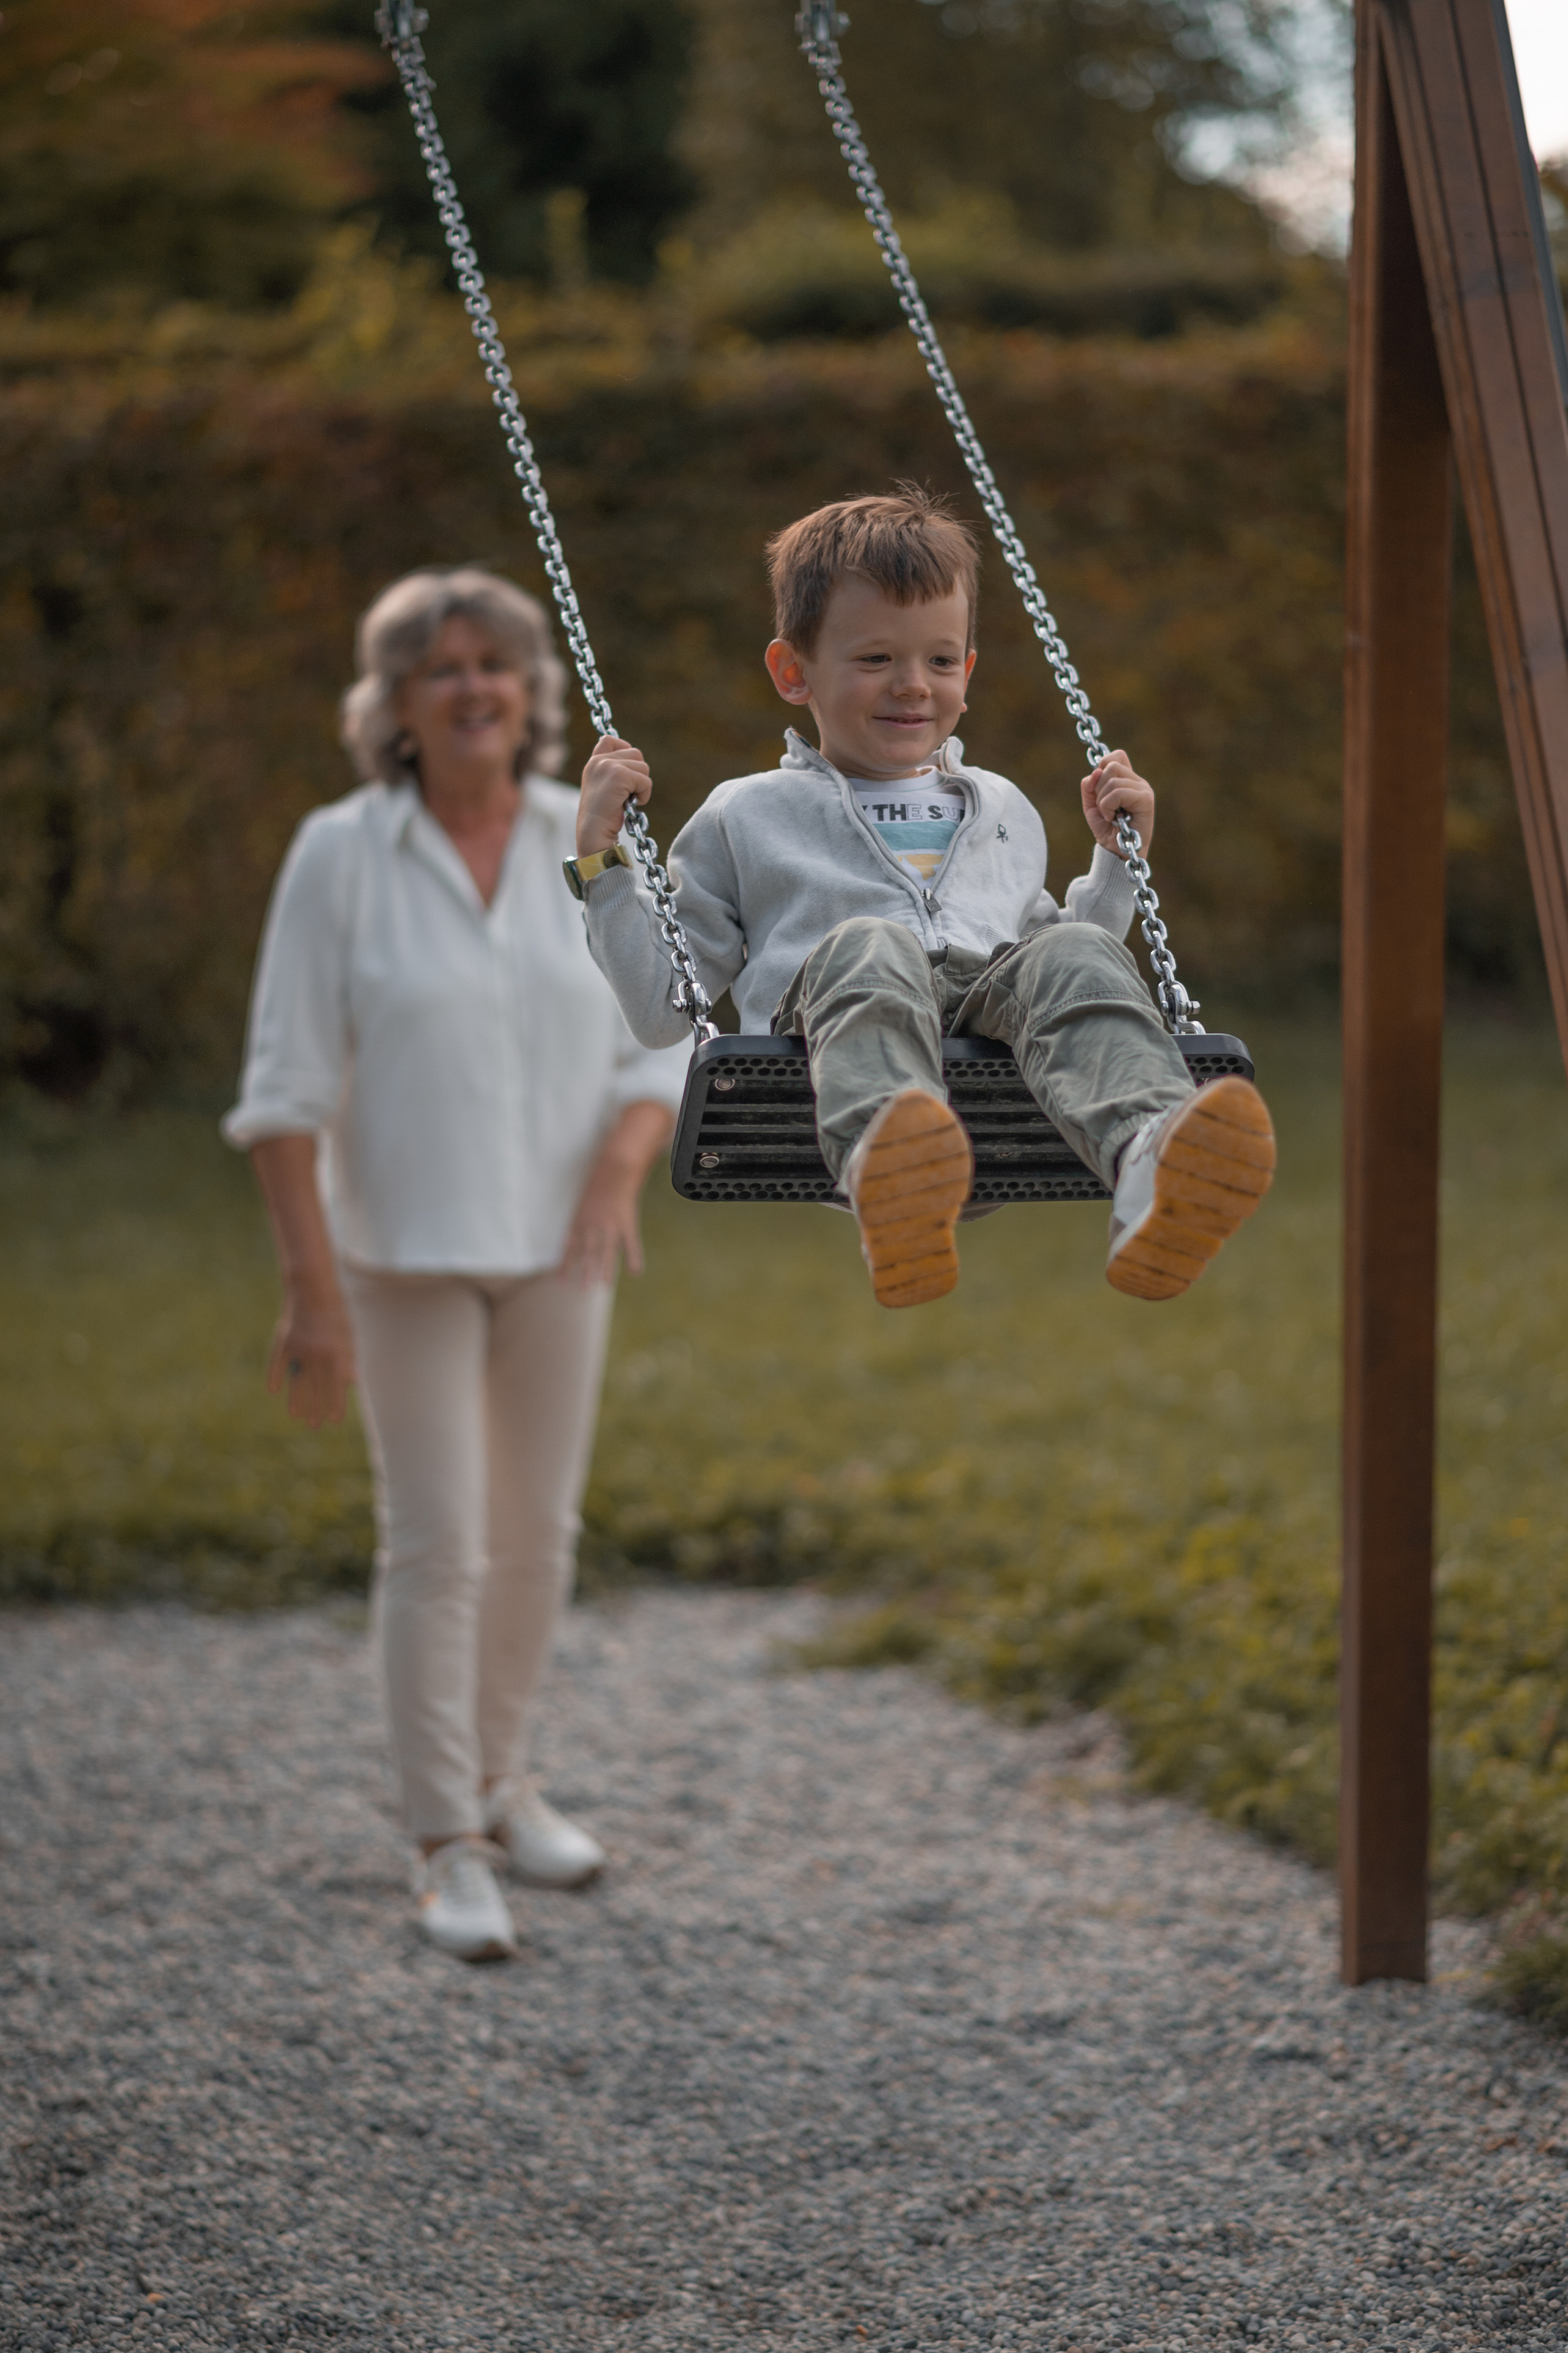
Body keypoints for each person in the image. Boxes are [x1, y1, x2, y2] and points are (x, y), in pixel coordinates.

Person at [224, 567, 687, 1963]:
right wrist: (311, 1294)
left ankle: (496, 1780)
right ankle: (442, 1847)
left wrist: (615, 1177)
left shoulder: (584, 835)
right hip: (399, 1256)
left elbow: (658, 1039)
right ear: (398, 705)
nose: (474, 686)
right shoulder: (338, 853)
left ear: (529, 692)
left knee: (537, 1540)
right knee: (437, 1543)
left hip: (564, 1251)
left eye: (495, 663)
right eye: (443, 668)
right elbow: (283, 1092)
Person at [567, 488, 1274, 1308]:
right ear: (794, 672)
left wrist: (1118, 866)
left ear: (968, 674)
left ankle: (1149, 1154)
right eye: (875, 660)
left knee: (1072, 953)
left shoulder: (1003, 807)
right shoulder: (746, 814)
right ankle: (893, 1166)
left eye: (940, 661)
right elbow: (662, 1008)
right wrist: (604, 866)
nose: (912, 685)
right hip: (840, 1043)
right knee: (871, 944)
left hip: (996, 1081)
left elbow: (1066, 967)